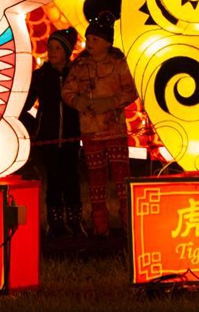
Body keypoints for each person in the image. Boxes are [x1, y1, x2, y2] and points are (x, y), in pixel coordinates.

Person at [62, 12, 138, 237]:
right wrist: (80, 102)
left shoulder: (118, 64)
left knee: (121, 179)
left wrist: (110, 102)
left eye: (95, 39)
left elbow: (131, 90)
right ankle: (100, 226)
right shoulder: (80, 66)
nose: (90, 43)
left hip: (114, 131)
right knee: (95, 182)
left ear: (107, 42)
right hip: (90, 132)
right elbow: (67, 91)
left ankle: (127, 224)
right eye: (88, 39)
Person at [23, 27, 85, 238]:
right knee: (54, 179)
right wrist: (35, 126)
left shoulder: (75, 75)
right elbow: (26, 104)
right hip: (48, 137)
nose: (52, 51)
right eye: (50, 47)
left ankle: (75, 220)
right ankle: (55, 222)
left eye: (57, 48)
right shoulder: (40, 76)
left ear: (67, 51)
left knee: (72, 178)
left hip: (71, 135)